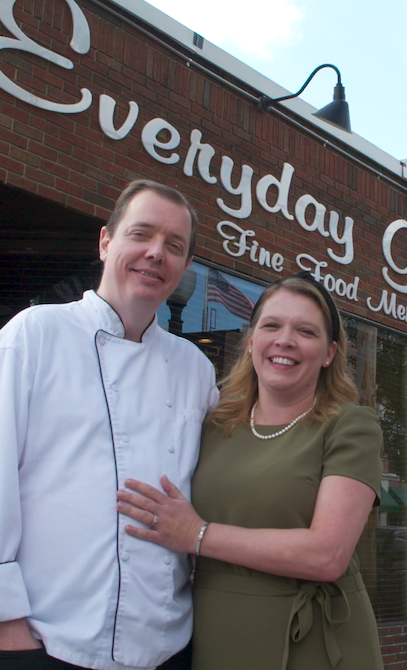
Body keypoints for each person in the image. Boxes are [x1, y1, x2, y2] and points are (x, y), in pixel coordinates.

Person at [0, 179, 218, 670]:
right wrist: (7, 632)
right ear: (106, 242)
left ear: (185, 267)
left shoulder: (195, 368)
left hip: (165, 646)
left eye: (174, 246)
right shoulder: (35, 334)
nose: (155, 254)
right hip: (45, 644)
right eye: (141, 234)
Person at [117, 273, 384, 670]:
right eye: (271, 325)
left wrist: (196, 534)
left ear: (329, 353)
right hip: (213, 636)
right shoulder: (212, 425)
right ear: (251, 340)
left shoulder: (351, 426)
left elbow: (328, 555)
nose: (285, 340)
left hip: (314, 644)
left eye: (306, 331)